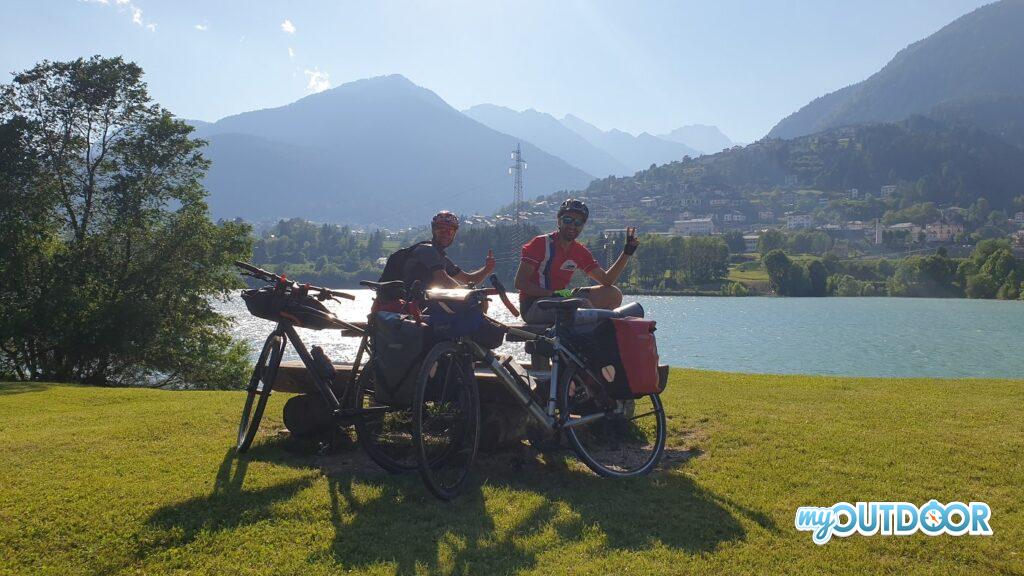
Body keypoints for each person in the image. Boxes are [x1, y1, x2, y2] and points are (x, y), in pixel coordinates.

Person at [515, 198, 639, 324]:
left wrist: (627, 252)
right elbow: (520, 283)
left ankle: (600, 327)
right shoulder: (541, 244)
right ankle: (595, 332)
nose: (572, 225)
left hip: (561, 295)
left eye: (578, 222)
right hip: (534, 305)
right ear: (559, 221)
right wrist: (551, 294)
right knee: (582, 303)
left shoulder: (579, 251)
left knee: (613, 294)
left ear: (582, 226)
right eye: (567, 220)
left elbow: (607, 280)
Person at [401, 210, 495, 291]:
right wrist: (468, 294)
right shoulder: (427, 250)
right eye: (441, 229)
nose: (445, 234)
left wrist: (486, 269)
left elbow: (469, 279)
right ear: (434, 230)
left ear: (454, 234)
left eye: (450, 230)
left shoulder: (441, 258)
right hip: (407, 306)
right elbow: (442, 279)